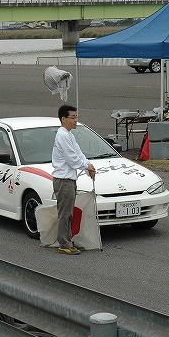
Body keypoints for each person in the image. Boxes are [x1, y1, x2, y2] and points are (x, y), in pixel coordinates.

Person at [52, 104, 96, 255]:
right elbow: (72, 159)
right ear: (63, 119)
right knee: (65, 213)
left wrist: (89, 165)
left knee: (69, 212)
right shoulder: (62, 135)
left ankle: (68, 240)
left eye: (76, 117)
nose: (75, 120)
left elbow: (78, 153)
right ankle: (64, 242)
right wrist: (86, 167)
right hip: (63, 179)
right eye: (73, 117)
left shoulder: (69, 135)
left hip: (69, 179)